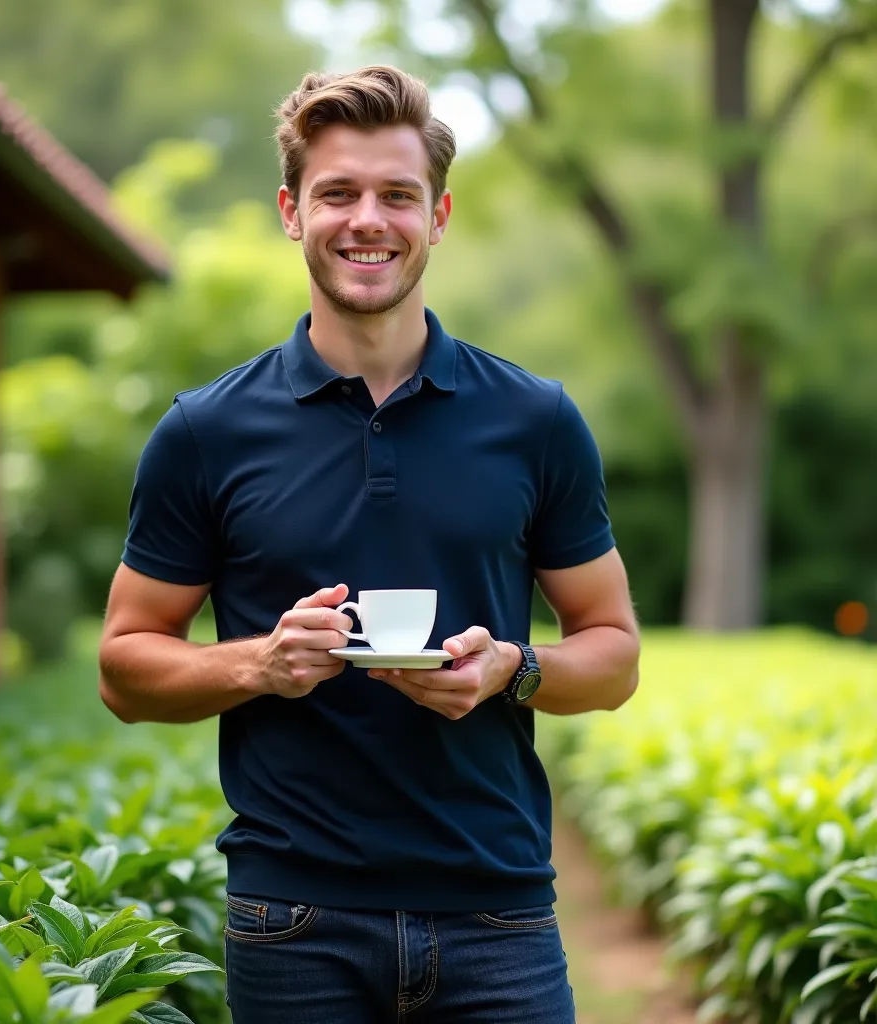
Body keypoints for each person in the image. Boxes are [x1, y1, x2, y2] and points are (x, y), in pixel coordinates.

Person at [98, 64, 640, 1024]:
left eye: (397, 195)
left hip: (498, 913)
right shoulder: (205, 432)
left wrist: (513, 669)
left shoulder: (536, 420)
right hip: (291, 920)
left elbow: (616, 653)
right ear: (289, 210)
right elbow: (125, 667)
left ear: (436, 216)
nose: (367, 220)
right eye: (336, 192)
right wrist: (260, 664)